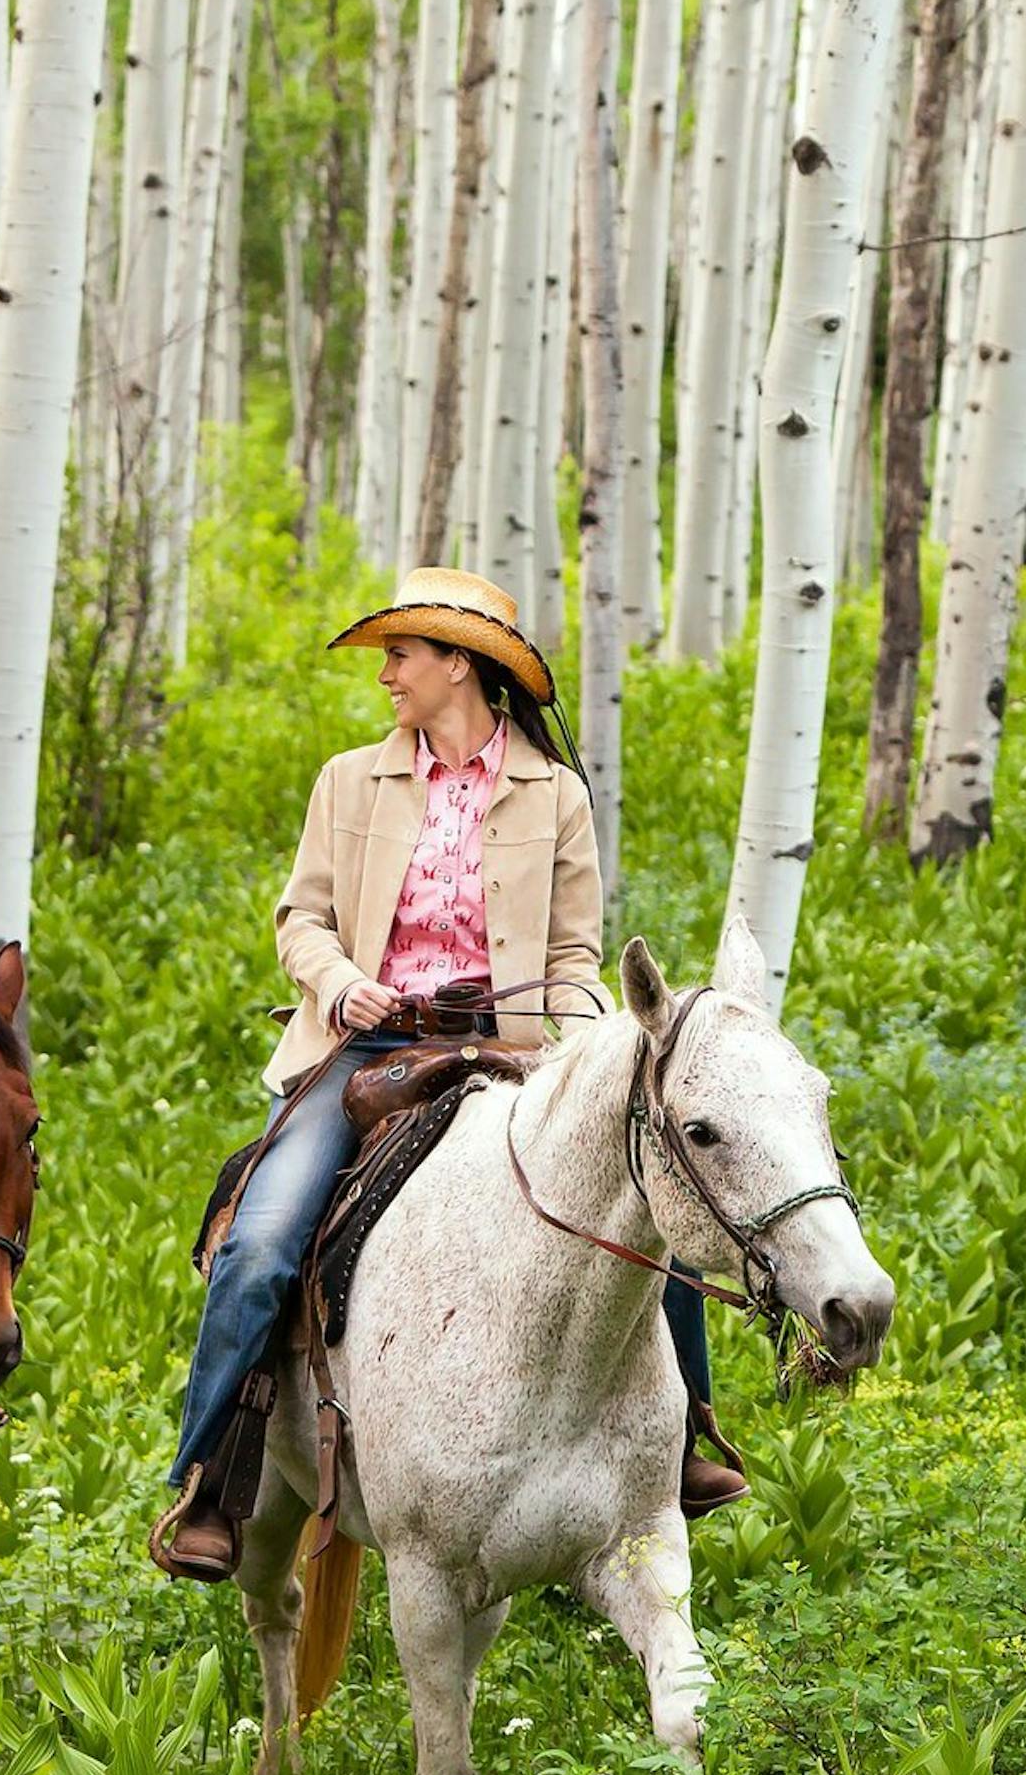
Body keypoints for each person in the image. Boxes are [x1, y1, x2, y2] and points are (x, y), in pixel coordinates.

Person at [153, 566, 748, 1583]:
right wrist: (342, 985)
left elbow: (571, 957)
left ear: (459, 665)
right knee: (258, 1242)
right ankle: (214, 1474)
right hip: (368, 1052)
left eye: (402, 653)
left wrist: (595, 1040)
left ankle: (686, 1434)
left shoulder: (554, 795)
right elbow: (301, 917)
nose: (385, 672)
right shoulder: (350, 779)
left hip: (512, 1050)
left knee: (662, 1199)